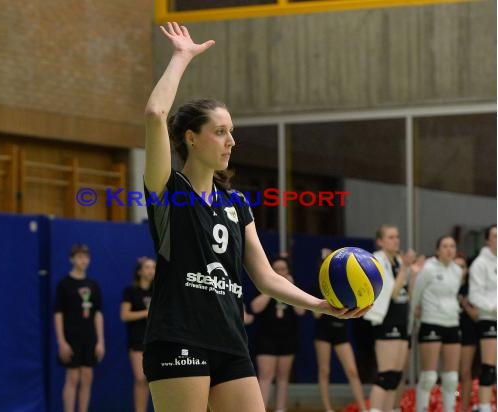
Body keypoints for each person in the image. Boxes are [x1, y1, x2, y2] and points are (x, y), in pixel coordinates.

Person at [142, 22, 369, 412]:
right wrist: (181, 58)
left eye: (232, 131)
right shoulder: (169, 192)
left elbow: (264, 278)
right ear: (192, 138)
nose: (232, 141)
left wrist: (318, 304)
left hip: (230, 342)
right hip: (179, 339)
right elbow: (155, 112)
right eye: (220, 132)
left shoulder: (237, 203)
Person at [363, 224, 423, 412]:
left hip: (402, 321)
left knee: (395, 377)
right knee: (385, 375)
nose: (396, 240)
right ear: (380, 241)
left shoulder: (398, 260)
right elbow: (394, 293)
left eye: (397, 236)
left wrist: (414, 274)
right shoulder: (377, 261)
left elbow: (408, 293)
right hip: (386, 320)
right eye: (390, 237)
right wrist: (406, 268)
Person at [411, 236, 462, 412]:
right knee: (429, 377)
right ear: (438, 250)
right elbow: (415, 296)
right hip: (431, 322)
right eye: (445, 246)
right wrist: (415, 320)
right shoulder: (428, 269)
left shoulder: (457, 271)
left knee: (451, 378)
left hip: (452, 323)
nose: (449, 250)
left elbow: (454, 296)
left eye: (452, 246)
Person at [313, 249, 367, 412]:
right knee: (324, 371)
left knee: (352, 371)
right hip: (323, 333)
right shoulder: (317, 286)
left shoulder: (347, 283)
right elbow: (316, 315)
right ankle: (328, 408)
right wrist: (326, 295)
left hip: (341, 332)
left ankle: (364, 408)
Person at [54, 244, 105, 412]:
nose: (84, 260)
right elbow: (58, 314)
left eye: (86, 257)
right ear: (72, 259)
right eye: (80, 256)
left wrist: (100, 341)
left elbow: (97, 313)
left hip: (89, 337)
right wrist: (61, 341)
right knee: (73, 377)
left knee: (87, 377)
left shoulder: (93, 284)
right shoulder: (64, 284)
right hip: (71, 336)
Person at [251, 257, 306, 412]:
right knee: (266, 376)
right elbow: (255, 307)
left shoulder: (293, 288)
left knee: (283, 377)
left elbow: (301, 311)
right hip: (266, 338)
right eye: (276, 269)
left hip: (288, 338)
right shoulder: (263, 286)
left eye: (283, 269)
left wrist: (290, 287)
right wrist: (272, 289)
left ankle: (280, 408)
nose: (280, 272)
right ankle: (260, 409)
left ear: (288, 272)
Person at [120, 257, 156, 412]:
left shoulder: (158, 290)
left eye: (153, 267)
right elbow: (125, 315)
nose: (151, 270)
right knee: (141, 378)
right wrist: (146, 313)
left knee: (153, 379)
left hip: (155, 340)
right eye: (147, 267)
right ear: (140, 271)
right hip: (137, 340)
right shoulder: (131, 291)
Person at [468, 224, 497, 412]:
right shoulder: (480, 263)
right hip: (488, 319)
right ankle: (485, 408)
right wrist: (493, 308)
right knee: (489, 367)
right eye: (495, 236)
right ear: (487, 240)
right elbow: (474, 295)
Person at [456, 253, 480, 412]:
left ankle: (464, 408)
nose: (459, 270)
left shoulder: (472, 288)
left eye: (462, 267)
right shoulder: (442, 284)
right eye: (455, 266)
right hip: (447, 330)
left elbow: (476, 315)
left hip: (468, 332)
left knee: (465, 372)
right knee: (449, 374)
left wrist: (464, 304)